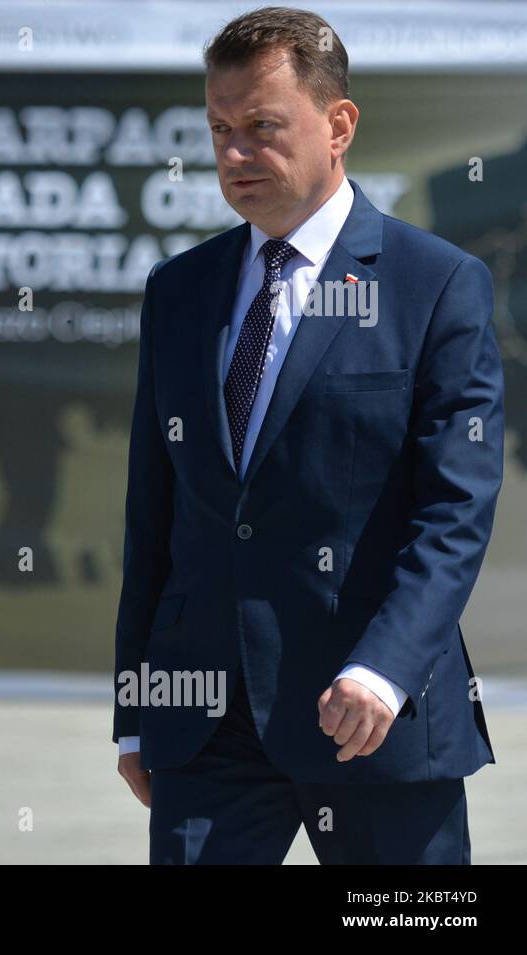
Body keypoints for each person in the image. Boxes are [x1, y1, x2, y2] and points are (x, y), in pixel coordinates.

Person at [112, 6, 502, 864]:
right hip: (204, 724)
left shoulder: (436, 285)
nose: (234, 154)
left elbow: (455, 513)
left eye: (261, 127)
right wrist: (136, 707)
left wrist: (383, 670)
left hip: (371, 717)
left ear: (338, 125)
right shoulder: (178, 291)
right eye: (220, 129)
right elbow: (155, 516)